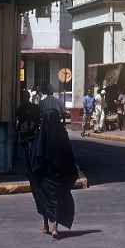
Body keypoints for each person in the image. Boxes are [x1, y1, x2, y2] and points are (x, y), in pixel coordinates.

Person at [30, 108, 76, 239]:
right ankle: (54, 228)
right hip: (58, 175)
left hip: (44, 174)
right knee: (55, 199)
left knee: (44, 198)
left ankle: (45, 226)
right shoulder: (62, 134)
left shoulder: (40, 135)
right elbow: (69, 155)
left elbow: (36, 155)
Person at [14, 89, 40, 170]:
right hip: (32, 131)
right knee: (32, 148)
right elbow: (38, 119)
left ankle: (27, 164)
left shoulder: (20, 108)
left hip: (25, 131)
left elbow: (17, 118)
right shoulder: (35, 107)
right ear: (29, 97)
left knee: (24, 149)